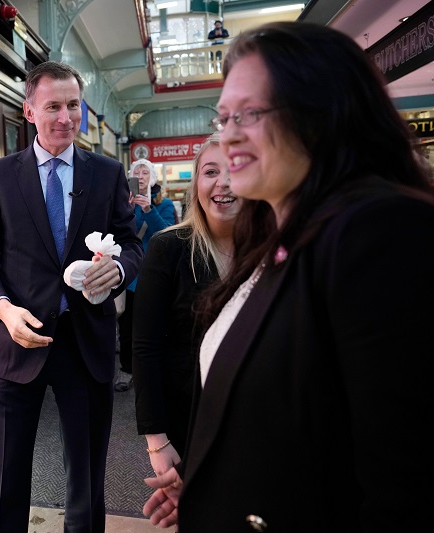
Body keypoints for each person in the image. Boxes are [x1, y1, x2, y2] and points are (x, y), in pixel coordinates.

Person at [143, 22, 434, 531]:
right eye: (224, 116)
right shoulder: (279, 238)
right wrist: (210, 483)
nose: (228, 134)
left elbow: (402, 480)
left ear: (319, 114)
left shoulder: (377, 230)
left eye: (249, 114)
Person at [0, 61, 143, 532]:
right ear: (29, 110)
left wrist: (120, 269)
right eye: (53, 106)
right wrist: (3, 310)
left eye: (73, 106)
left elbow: (132, 243)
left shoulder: (106, 173)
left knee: (87, 478)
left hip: (85, 341)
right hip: (15, 342)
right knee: (6, 480)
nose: (65, 117)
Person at [132, 133, 238, 475]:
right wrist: (156, 440)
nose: (223, 183)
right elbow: (145, 348)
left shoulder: (274, 251)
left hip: (258, 420)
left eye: (236, 169)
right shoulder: (170, 248)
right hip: (187, 418)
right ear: (196, 184)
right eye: (210, 172)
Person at [114, 159, 175, 392]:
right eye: (136, 171)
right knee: (127, 328)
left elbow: (166, 234)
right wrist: (128, 209)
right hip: (130, 275)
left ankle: (153, 368)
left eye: (145, 171)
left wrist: (148, 209)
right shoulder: (123, 203)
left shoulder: (165, 204)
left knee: (154, 324)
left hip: (154, 275)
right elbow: (118, 234)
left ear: (153, 177)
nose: (140, 175)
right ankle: (127, 370)